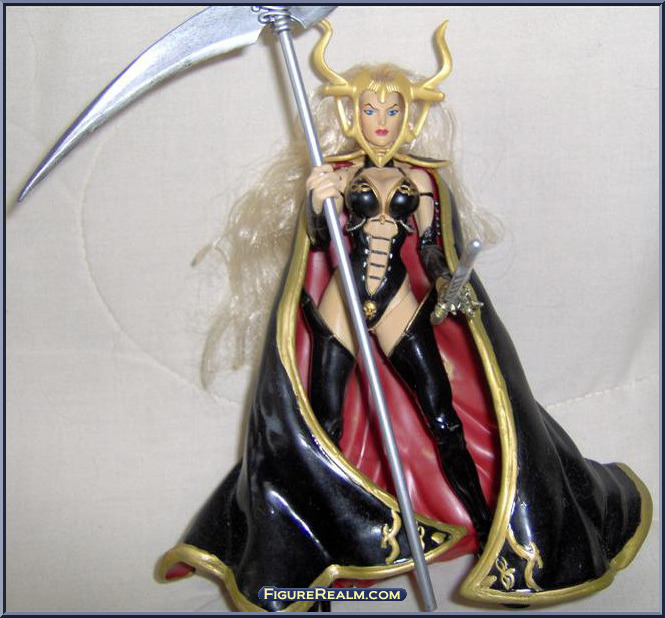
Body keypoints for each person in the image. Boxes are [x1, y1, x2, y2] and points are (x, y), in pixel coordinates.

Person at [157, 20, 651, 612]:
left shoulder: (422, 178)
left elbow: (436, 249)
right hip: (341, 300)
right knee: (323, 422)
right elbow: (320, 243)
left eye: (392, 111)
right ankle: (318, 557)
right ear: (354, 115)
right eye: (370, 110)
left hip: (395, 297)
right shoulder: (335, 175)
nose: (381, 121)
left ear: (408, 117)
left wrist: (449, 282)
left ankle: (491, 525)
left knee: (441, 413)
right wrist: (317, 204)